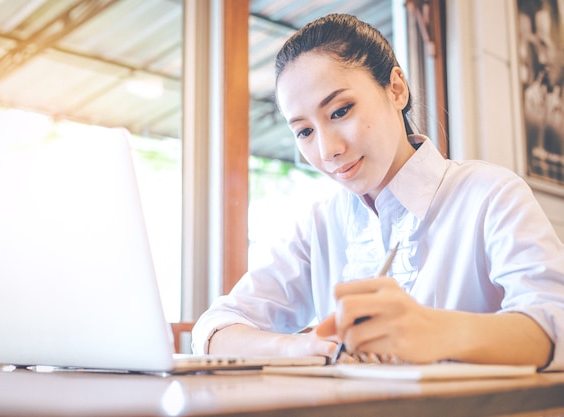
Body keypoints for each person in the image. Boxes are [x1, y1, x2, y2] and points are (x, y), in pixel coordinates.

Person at [191, 13, 564, 370]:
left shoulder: (490, 195)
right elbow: (215, 328)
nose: (327, 150)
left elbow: (555, 324)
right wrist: (302, 347)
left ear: (396, 89)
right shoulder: (319, 224)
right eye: (304, 131)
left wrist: (435, 331)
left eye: (340, 111)